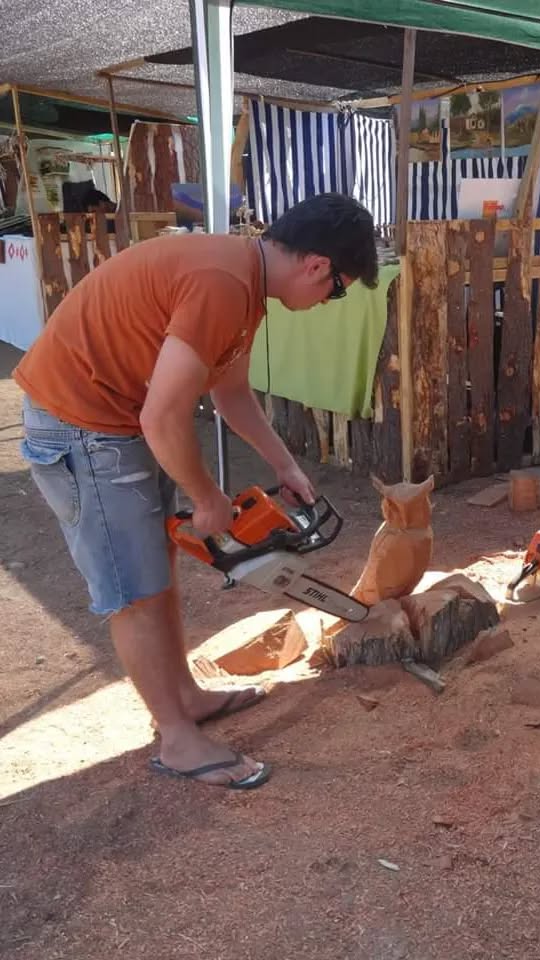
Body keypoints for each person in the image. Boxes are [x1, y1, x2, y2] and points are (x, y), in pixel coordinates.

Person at [14, 193, 378, 790]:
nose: (326, 301)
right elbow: (164, 416)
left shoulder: (245, 282)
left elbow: (230, 393)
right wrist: (209, 498)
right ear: (318, 266)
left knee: (157, 567)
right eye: (336, 290)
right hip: (80, 423)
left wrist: (285, 465)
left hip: (121, 419)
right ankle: (177, 740)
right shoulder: (222, 282)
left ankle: (184, 696)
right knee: (133, 590)